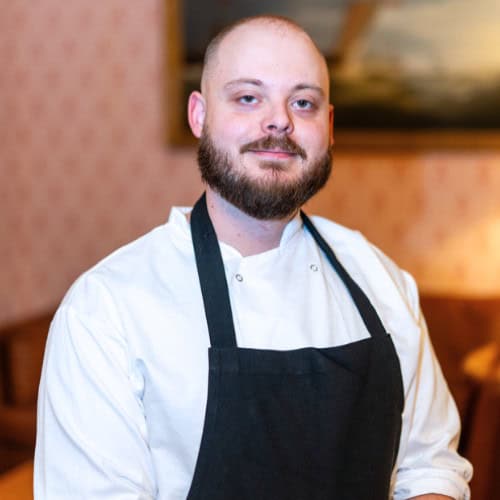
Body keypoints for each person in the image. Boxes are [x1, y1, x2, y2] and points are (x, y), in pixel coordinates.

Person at [35, 15, 472, 500]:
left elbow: (430, 468)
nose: (279, 120)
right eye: (248, 97)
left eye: (303, 103)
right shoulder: (107, 310)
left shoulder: (381, 279)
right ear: (199, 115)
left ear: (327, 127)